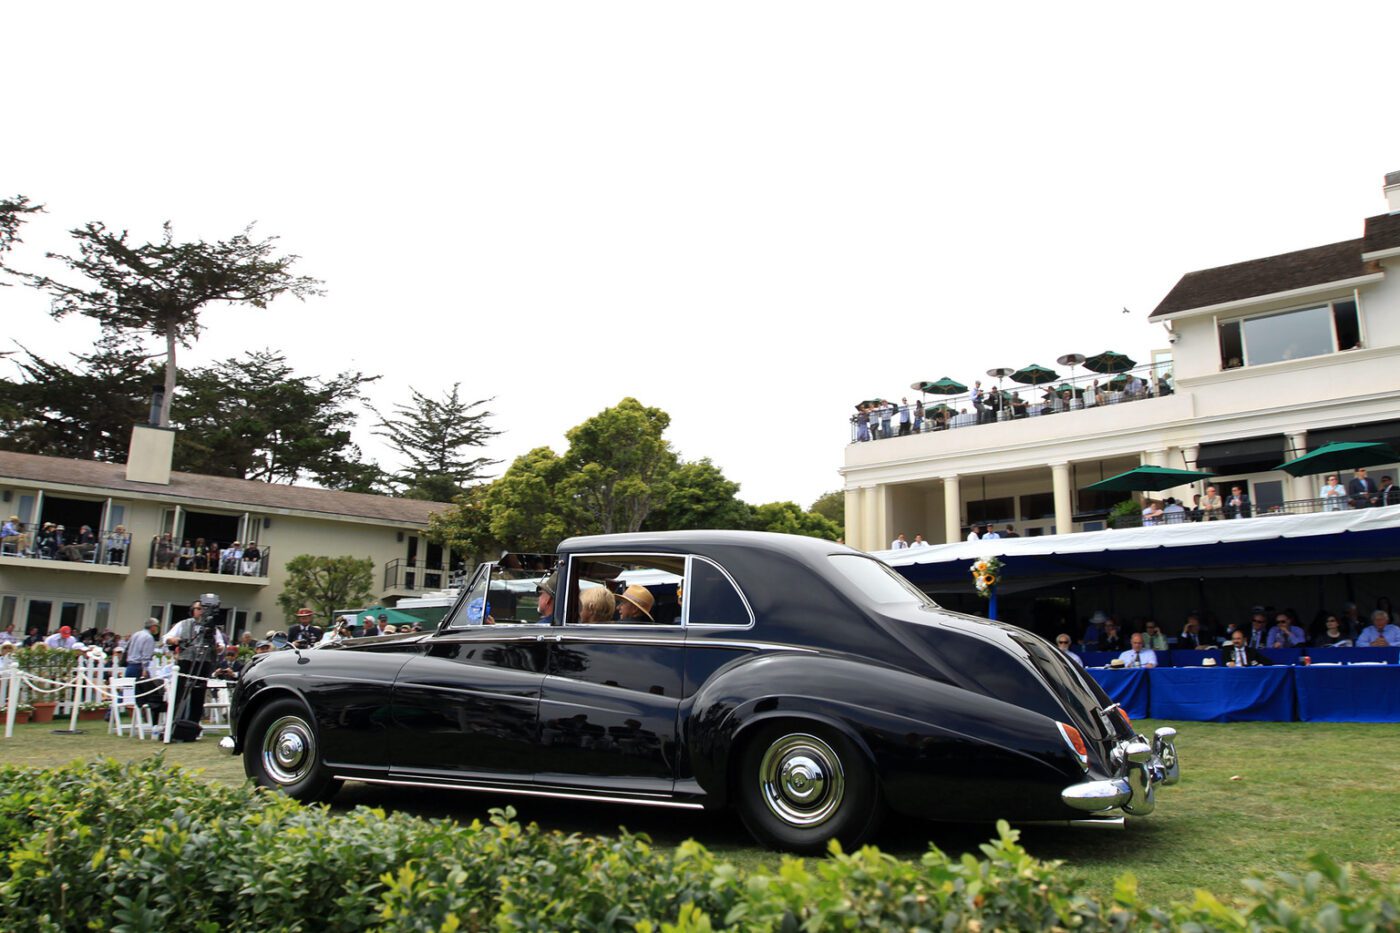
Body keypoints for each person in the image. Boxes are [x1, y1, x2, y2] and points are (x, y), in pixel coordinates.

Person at [165, 598, 227, 730]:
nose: (201, 611)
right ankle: (174, 725)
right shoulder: (183, 624)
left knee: (198, 695)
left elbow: (221, 645)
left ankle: (193, 726)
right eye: (198, 608)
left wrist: (218, 647)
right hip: (186, 661)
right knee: (180, 693)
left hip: (203, 663)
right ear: (192, 611)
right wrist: (174, 640)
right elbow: (167, 638)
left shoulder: (213, 628)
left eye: (203, 609)